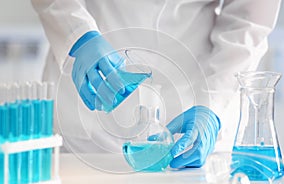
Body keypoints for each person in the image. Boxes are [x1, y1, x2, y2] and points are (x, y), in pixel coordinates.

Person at [31, 0, 282, 169]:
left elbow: (248, 21)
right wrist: (77, 34)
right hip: (88, 108)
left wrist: (213, 105)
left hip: (194, 99)